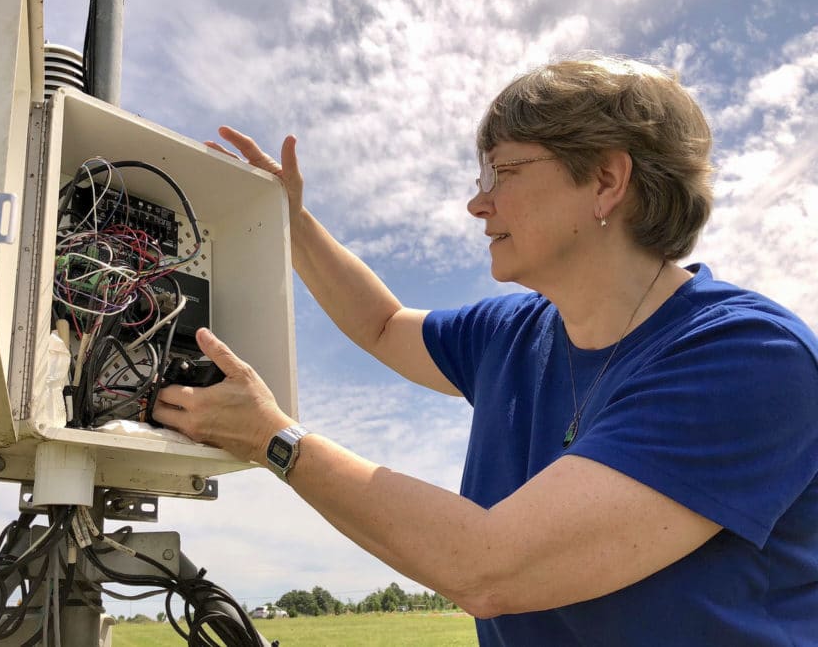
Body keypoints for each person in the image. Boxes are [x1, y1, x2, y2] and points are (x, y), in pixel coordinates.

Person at [151, 54, 818, 645]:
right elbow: (382, 324)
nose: (478, 203)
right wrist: (290, 223)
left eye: (502, 172)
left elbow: (491, 565)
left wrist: (274, 440)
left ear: (607, 181)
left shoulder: (748, 358)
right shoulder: (514, 332)